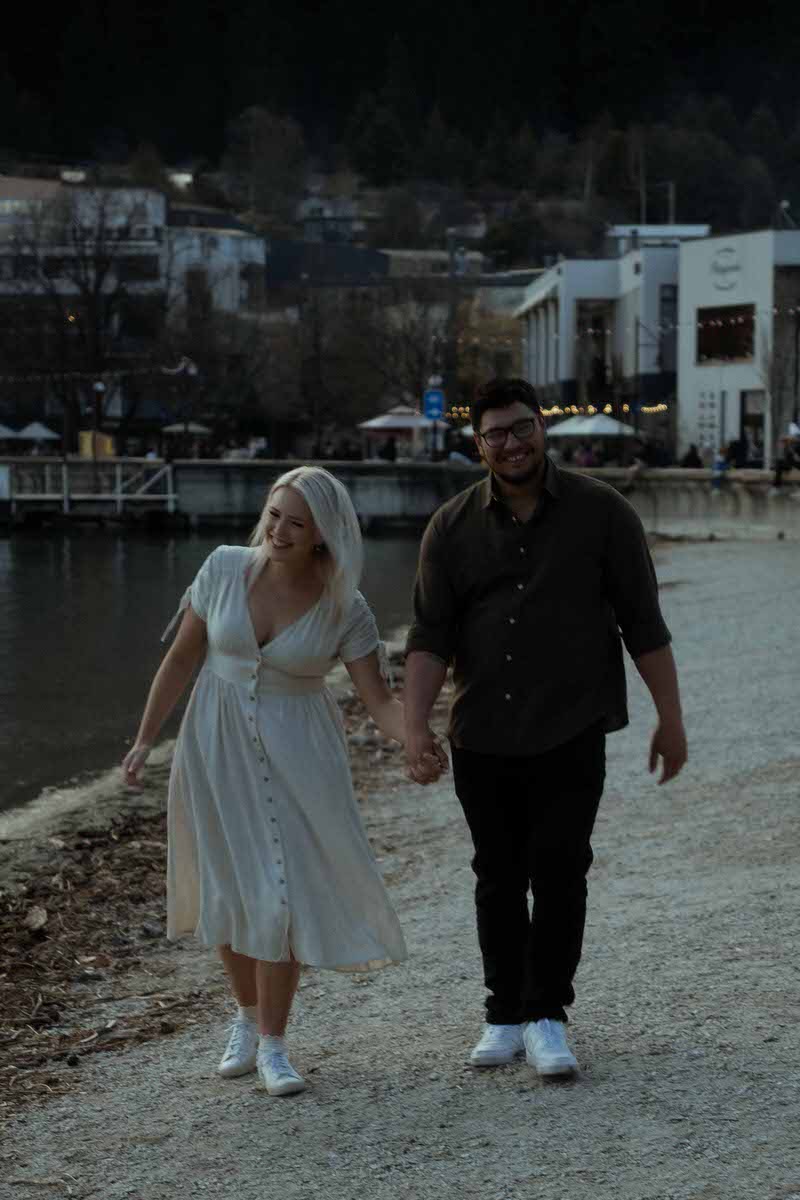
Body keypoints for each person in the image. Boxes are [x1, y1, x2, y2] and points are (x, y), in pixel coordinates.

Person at [123, 466, 446, 1098]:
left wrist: (416, 739)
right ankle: (246, 1017)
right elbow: (182, 658)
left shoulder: (346, 606)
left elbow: (378, 701)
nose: (279, 531)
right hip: (214, 746)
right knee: (227, 890)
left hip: (300, 756)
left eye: (297, 523)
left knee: (281, 895)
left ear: (324, 534)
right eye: (275, 515)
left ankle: (274, 1043)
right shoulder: (223, 568)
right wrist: (143, 740)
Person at [404, 378, 687, 1080]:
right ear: (479, 445)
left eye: (522, 427)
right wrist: (415, 729)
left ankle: (547, 1014)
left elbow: (643, 624)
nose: (512, 443)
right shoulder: (450, 527)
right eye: (496, 433)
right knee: (496, 876)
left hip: (571, 725)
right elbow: (431, 637)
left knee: (561, 869)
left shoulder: (603, 513)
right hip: (482, 731)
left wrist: (671, 718)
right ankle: (504, 1012)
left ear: (542, 428)